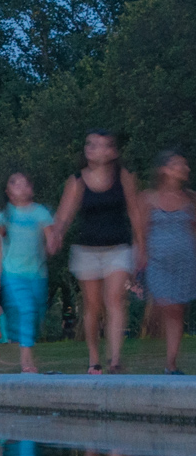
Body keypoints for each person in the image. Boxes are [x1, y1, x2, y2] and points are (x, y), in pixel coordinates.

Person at [50, 129, 145, 374]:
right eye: (89, 144)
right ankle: (94, 359)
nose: (92, 148)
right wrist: (56, 234)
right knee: (92, 307)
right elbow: (64, 215)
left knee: (115, 300)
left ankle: (115, 360)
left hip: (118, 248)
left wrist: (141, 246)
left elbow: (135, 213)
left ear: (111, 151)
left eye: (99, 144)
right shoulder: (77, 181)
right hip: (86, 250)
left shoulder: (123, 177)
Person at [0, 172, 56, 374]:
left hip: (37, 274)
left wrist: (52, 243)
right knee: (26, 309)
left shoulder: (40, 213)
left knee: (36, 313)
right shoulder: (5, 216)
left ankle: (20, 337)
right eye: (15, 184)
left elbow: (50, 238)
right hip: (13, 273)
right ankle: (26, 361)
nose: (21, 186)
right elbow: (1, 247)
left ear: (31, 189)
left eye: (25, 183)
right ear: (8, 192)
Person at [139, 150, 196, 374]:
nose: (185, 169)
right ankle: (153, 322)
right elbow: (141, 231)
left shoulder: (191, 199)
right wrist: (140, 254)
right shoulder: (148, 198)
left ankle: (171, 364)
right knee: (166, 303)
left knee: (178, 310)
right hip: (157, 261)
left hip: (185, 261)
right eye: (178, 164)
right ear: (164, 169)